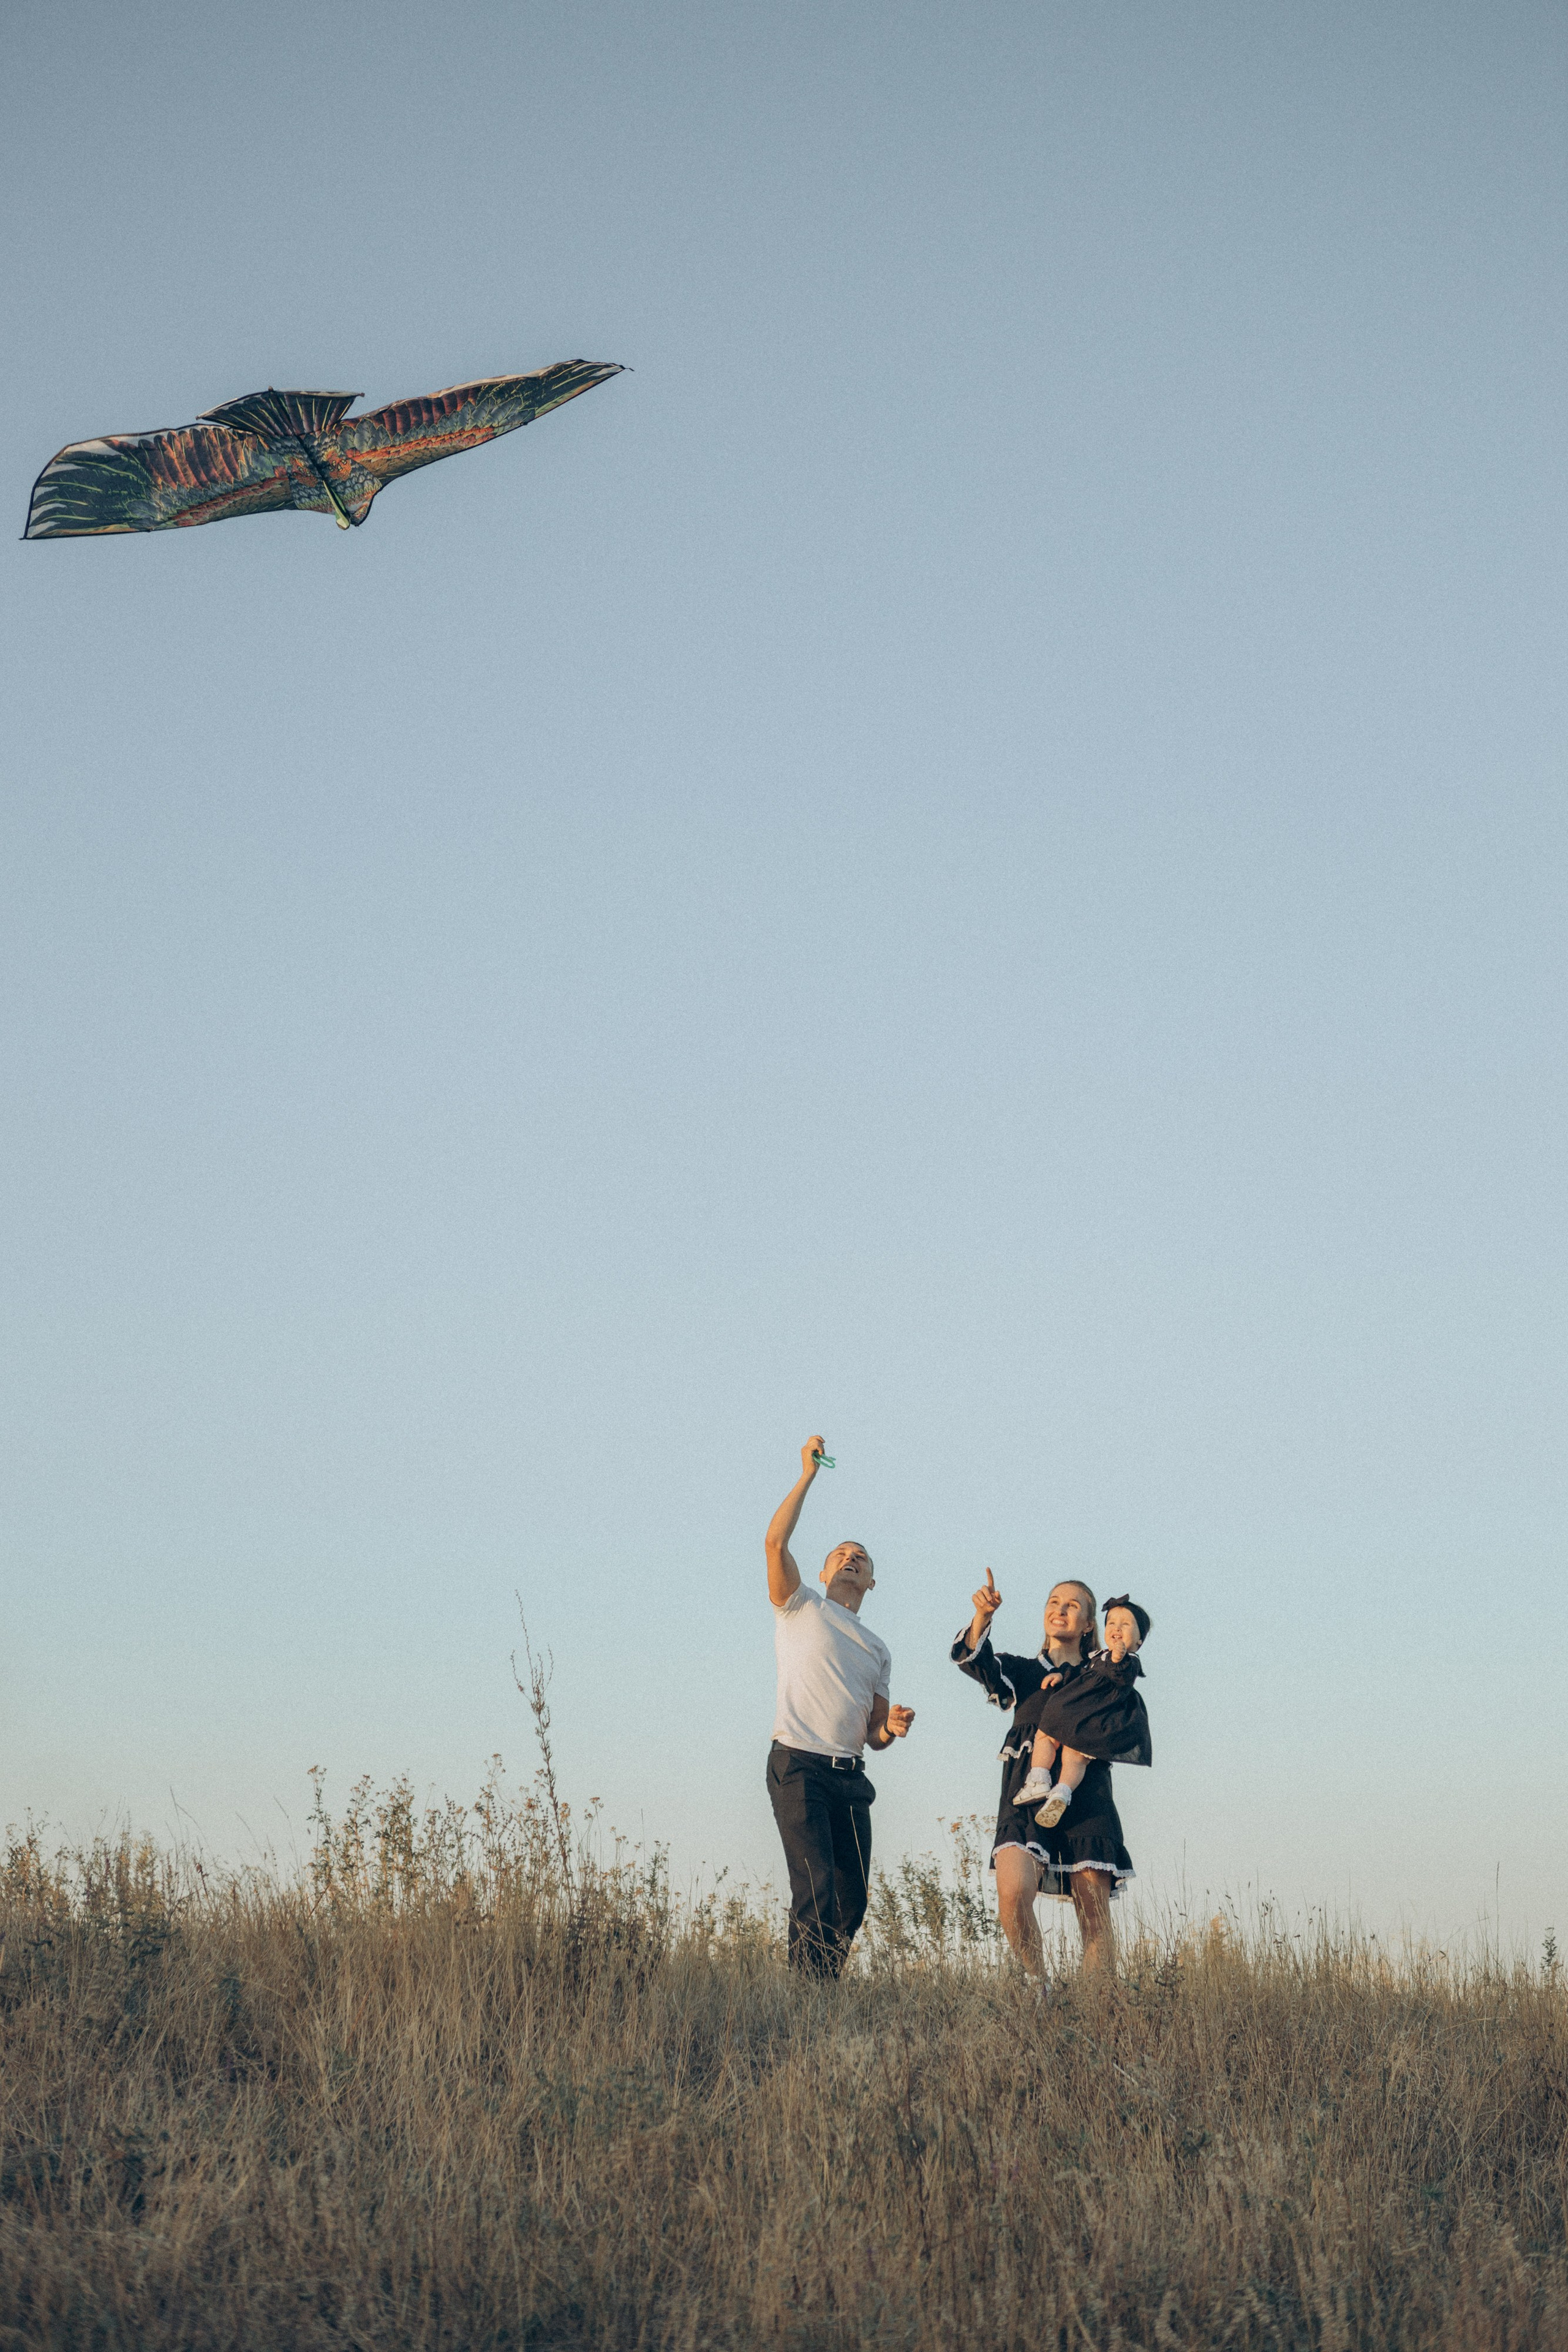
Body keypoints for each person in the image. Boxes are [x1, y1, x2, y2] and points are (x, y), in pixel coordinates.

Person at [764, 1435, 916, 1977]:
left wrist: (890, 1727)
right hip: (799, 1765)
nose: (851, 1560)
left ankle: (821, 1990)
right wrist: (807, 1474)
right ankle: (809, 2005)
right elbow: (775, 1543)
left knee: (852, 1900)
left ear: (872, 1581)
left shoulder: (878, 1649)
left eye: (862, 1558)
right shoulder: (800, 1606)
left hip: (850, 1776)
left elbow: (874, 1732)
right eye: (841, 1555)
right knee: (816, 1888)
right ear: (825, 1573)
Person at [951, 1570, 1134, 1977]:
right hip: (1026, 1795)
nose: (1060, 1610)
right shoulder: (1022, 1671)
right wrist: (982, 1616)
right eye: (1053, 1602)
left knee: (1094, 1916)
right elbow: (976, 1661)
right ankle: (1042, 1994)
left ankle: (1095, 2016)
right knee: (1013, 1896)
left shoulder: (1102, 1674)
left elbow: (1125, 1710)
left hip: (1085, 1797)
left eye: (1072, 1605)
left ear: (1089, 1625)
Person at [1014, 1596, 1153, 1826]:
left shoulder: (1130, 1660)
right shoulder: (1096, 1658)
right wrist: (1061, 1675)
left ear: (1139, 1642)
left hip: (1090, 1717)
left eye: (1125, 1625)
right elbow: (1078, 1672)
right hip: (1083, 1720)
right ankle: (1057, 1790)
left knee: (1047, 1736)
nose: (1117, 1628)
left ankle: (1043, 1781)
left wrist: (1119, 1658)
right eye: (1111, 1623)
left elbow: (1123, 1674)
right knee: (1071, 1754)